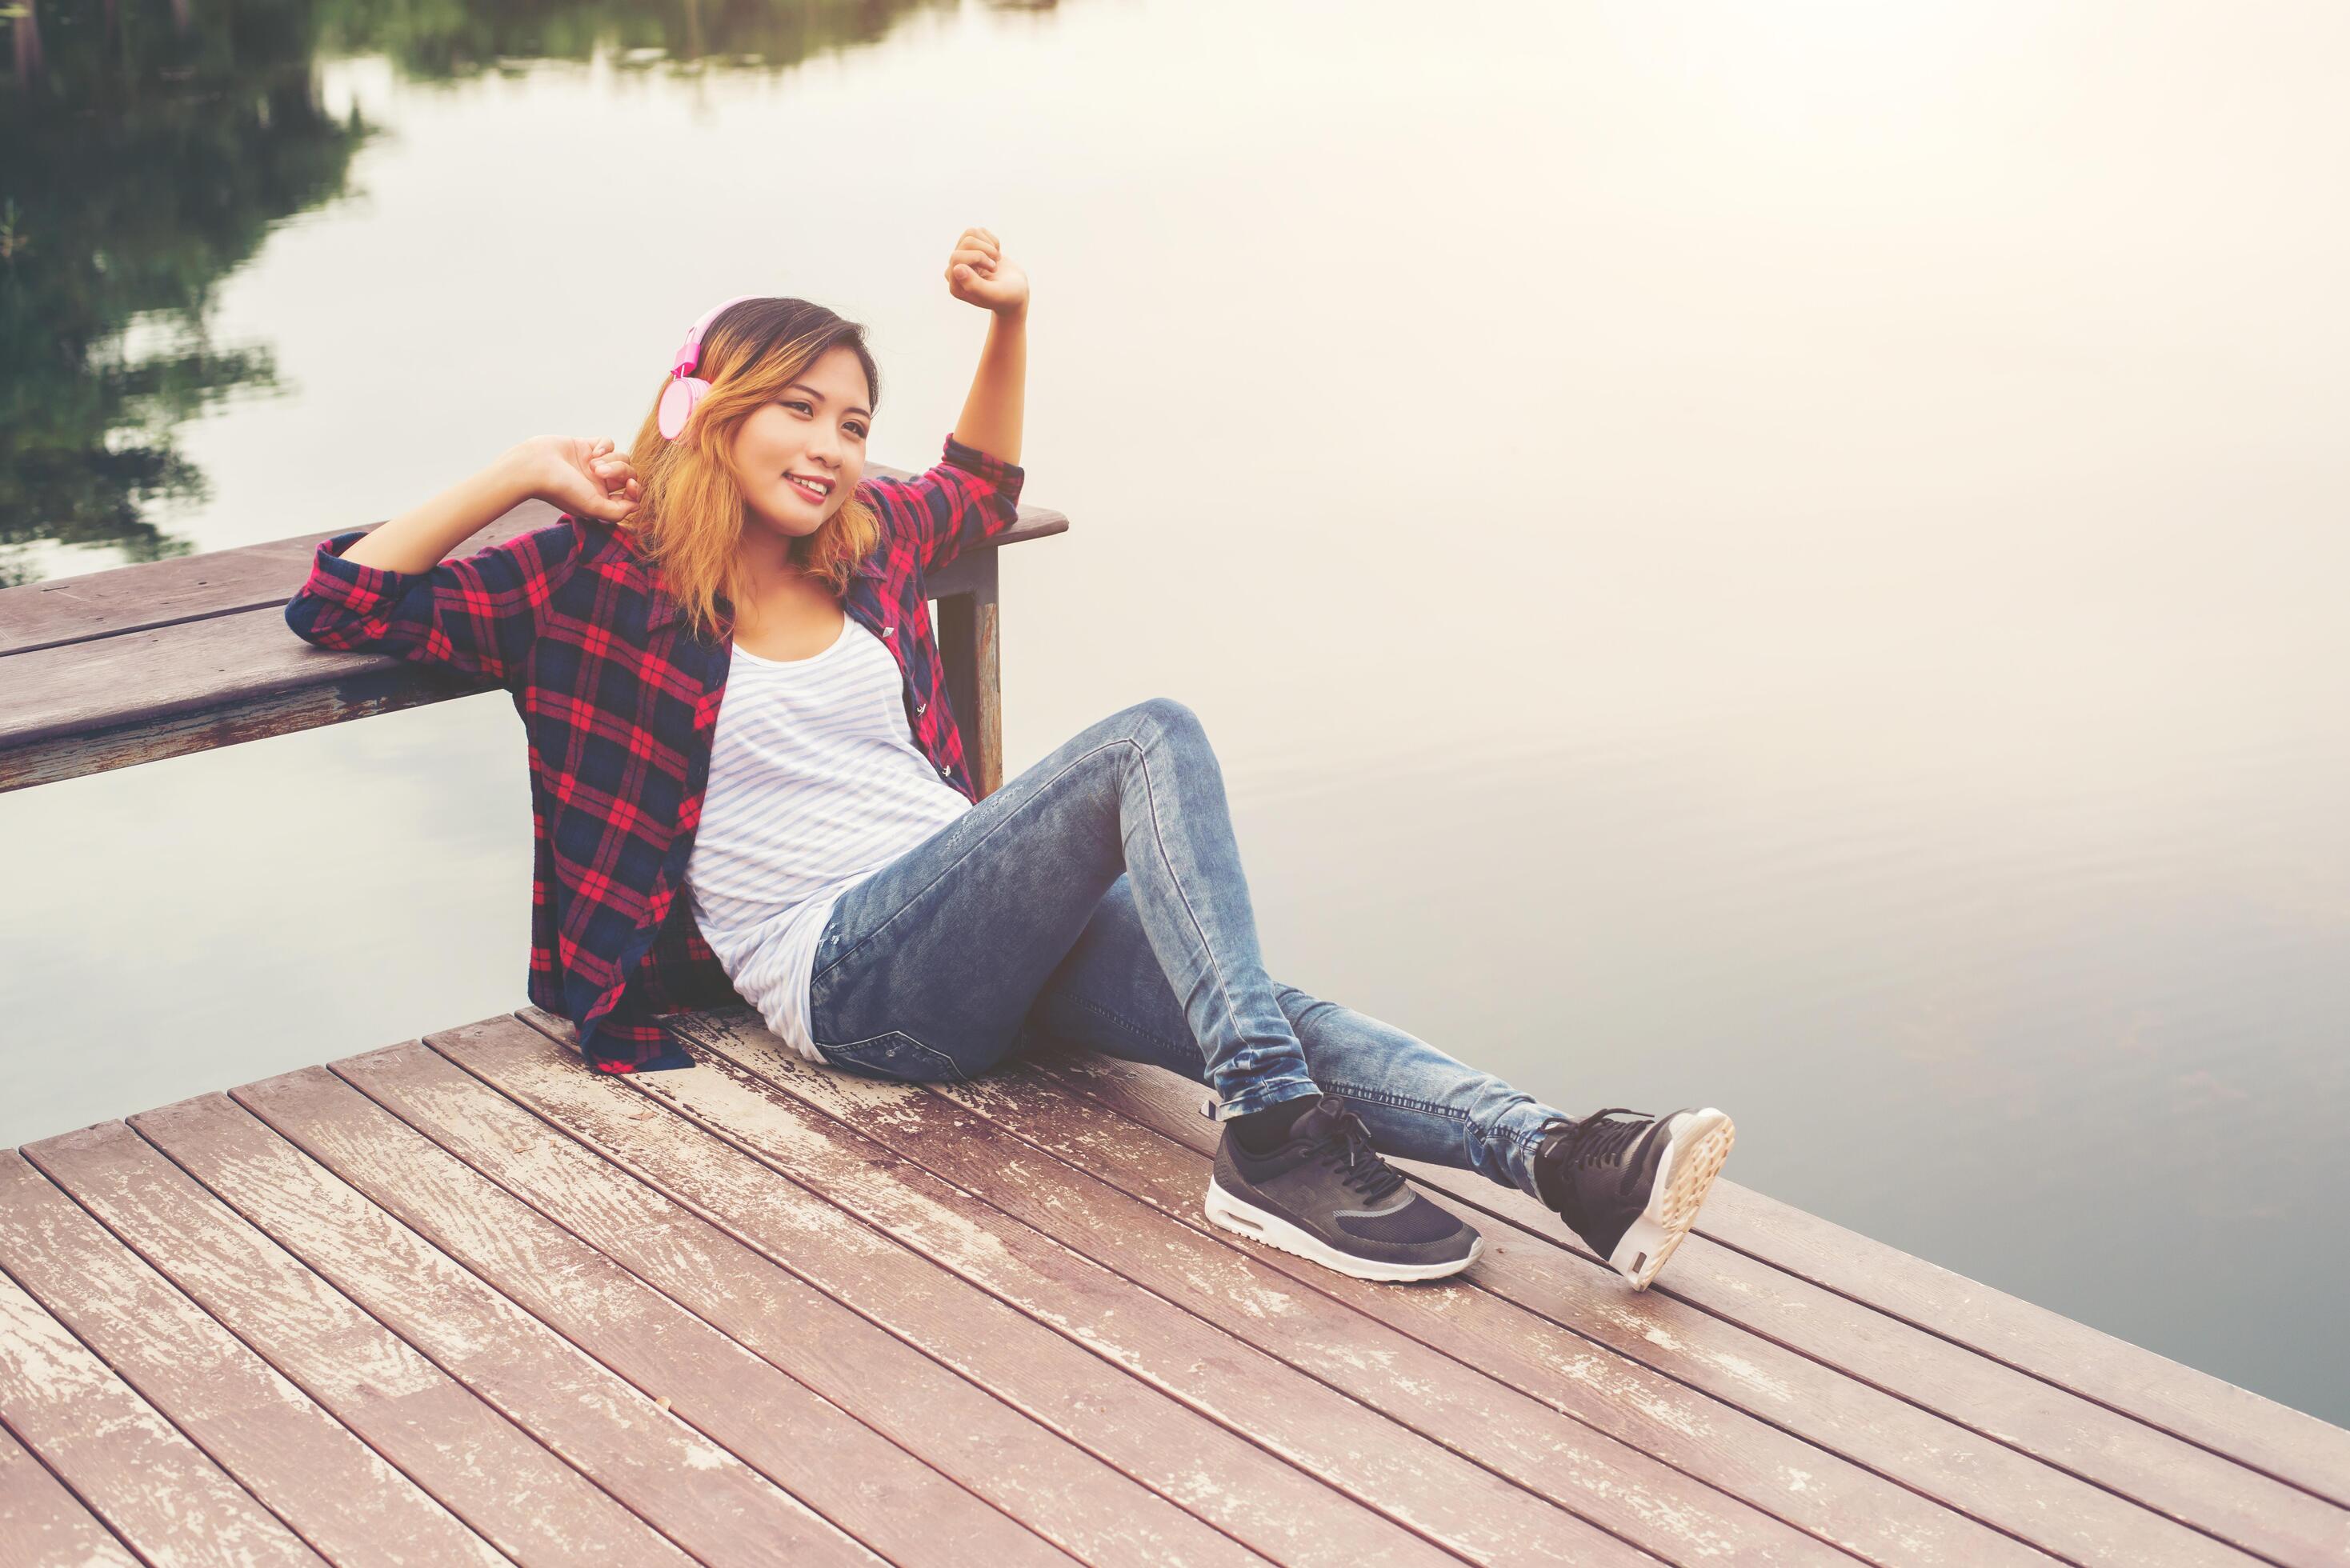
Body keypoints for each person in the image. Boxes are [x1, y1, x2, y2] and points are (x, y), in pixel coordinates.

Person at [283, 228, 1735, 1290]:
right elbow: (341, 601)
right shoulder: (595, 582)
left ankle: (1564, 1161)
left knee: (1260, 1009)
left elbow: (976, 485)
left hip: (966, 927)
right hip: (850, 980)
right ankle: (1274, 1140)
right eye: (797, 408)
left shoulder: (858, 552)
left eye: (853, 423)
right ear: (702, 408)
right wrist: (526, 471)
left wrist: (1012, 317)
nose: (836, 447)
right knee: (1147, 739)